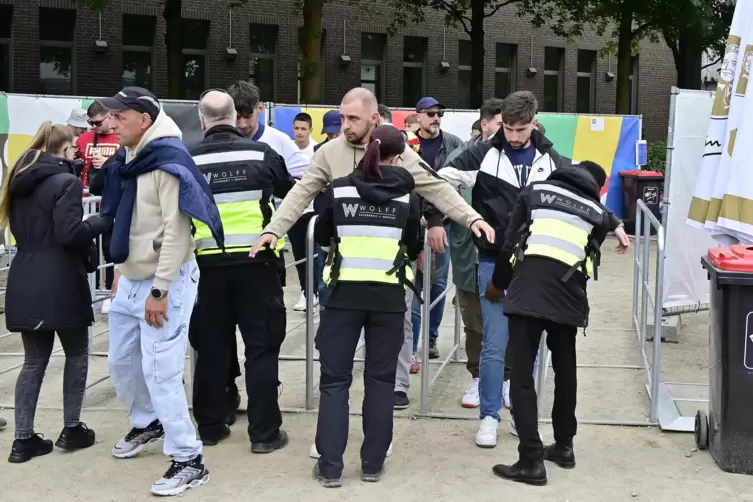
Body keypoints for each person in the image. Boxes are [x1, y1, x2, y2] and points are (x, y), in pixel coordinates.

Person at [437, 91, 625, 447]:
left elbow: (583, 193)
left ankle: (520, 416)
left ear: (534, 123)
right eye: (507, 128)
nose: (513, 135)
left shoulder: (552, 158)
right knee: (495, 342)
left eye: (520, 129)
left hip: (536, 264)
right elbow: (439, 181)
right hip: (493, 259)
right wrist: (458, 217)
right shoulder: (481, 152)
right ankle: (489, 416)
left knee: (530, 347)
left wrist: (613, 222)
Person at [98, 86, 224, 496]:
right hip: (132, 277)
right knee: (121, 363)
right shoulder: (134, 159)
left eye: (120, 116)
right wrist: (122, 269)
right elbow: (129, 221)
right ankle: (147, 421)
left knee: (160, 371)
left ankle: (190, 458)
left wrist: (160, 290)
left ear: (144, 120)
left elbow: (176, 233)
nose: (111, 123)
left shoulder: (167, 163)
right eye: (111, 116)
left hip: (163, 282)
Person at [249, 88, 494, 282]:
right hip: (341, 269)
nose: (345, 125)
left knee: (397, 338)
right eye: (343, 117)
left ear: (374, 118)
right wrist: (273, 230)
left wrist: (472, 218)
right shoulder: (329, 152)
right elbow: (300, 193)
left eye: (353, 118)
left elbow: (435, 187)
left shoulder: (397, 149)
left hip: (390, 269)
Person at [489, 161, 629, 486]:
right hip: (569, 297)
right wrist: (618, 225)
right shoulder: (597, 210)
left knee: (522, 376)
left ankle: (530, 460)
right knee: (566, 369)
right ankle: (564, 446)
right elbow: (598, 237)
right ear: (595, 186)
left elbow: (510, 245)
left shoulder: (535, 192)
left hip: (528, 293)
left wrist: (499, 282)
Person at [311, 125, 422, 487]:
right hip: (388, 299)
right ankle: (372, 464)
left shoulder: (339, 189)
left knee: (335, 382)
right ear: (400, 155)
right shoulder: (408, 196)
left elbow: (324, 235)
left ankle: (329, 467)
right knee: (380, 382)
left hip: (343, 297)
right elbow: (413, 242)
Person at [189, 91, 294, 451]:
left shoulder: (189, 160)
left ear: (203, 121)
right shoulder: (262, 153)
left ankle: (210, 427)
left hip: (207, 267)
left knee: (211, 347)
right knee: (261, 349)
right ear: (236, 118)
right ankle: (264, 434)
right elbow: (289, 195)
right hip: (257, 264)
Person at [2, 122, 112, 463]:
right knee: (77, 353)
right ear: (64, 149)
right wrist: (102, 220)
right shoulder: (64, 182)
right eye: (72, 151)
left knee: (34, 361)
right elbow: (69, 234)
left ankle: (23, 439)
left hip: (24, 277)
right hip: (62, 280)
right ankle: (72, 427)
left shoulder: (16, 182)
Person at [427, 98, 505, 409]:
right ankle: (477, 378)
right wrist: (434, 220)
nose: (509, 134)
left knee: (508, 318)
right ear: (485, 125)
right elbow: (435, 189)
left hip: (506, 253)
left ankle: (508, 380)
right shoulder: (462, 157)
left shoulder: (517, 157)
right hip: (468, 252)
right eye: (501, 126)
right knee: (474, 320)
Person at [226, 81, 315, 312]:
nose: (243, 124)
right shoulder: (221, 142)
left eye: (248, 116)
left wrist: (278, 191)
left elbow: (305, 179)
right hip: (227, 245)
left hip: (267, 242)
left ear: (260, 108)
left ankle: (309, 293)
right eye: (237, 117)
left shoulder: (279, 141)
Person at [411, 97, 464, 362]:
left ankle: (430, 337)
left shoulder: (454, 144)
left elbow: (458, 185)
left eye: (439, 114)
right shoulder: (408, 145)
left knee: (438, 282)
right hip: (413, 223)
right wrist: (417, 214)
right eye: (430, 113)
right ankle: (410, 344)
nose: (436, 118)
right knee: (414, 284)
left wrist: (438, 216)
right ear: (417, 116)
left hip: (442, 224)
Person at [77, 100, 120, 314]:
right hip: (87, 202)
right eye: (90, 123)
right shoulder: (83, 139)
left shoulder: (120, 136)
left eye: (97, 122)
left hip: (110, 203)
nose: (94, 127)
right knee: (86, 248)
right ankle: (89, 291)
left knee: (110, 249)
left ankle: (110, 291)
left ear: (109, 116)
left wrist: (107, 162)